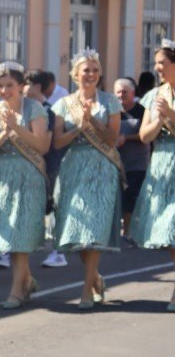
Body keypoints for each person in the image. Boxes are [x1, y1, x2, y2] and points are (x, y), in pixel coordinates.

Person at [51, 49, 122, 310]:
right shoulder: (63, 104)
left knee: (93, 230)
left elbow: (112, 140)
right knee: (75, 231)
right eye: (85, 70)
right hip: (73, 169)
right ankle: (95, 278)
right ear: (75, 74)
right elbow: (57, 142)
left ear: (100, 73)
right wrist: (80, 127)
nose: (90, 74)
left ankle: (85, 290)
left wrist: (93, 121)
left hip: (101, 169)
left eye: (95, 70)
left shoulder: (110, 102)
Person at [0, 62, 50, 309]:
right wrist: (6, 132)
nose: (4, 90)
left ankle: (16, 291)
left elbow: (41, 146)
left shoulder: (35, 108)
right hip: (1, 177)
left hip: (28, 174)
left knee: (21, 234)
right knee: (8, 234)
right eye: (0, 85)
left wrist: (17, 126)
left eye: (10, 85)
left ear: (22, 86)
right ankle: (27, 280)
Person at [129, 40, 175, 312]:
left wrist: (171, 114)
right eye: (156, 63)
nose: (157, 67)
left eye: (162, 63)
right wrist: (159, 120)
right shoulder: (155, 94)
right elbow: (145, 136)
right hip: (162, 166)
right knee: (167, 232)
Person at [25, 69, 68, 268]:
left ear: (36, 87)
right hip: (34, 167)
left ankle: (58, 252)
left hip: (50, 165)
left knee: (52, 208)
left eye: (26, 84)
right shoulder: (28, 110)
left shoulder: (48, 110)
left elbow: (47, 145)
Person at [114, 78, 149, 238]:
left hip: (137, 162)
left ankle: (128, 232)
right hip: (117, 163)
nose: (121, 95)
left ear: (133, 93)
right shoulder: (113, 112)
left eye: (125, 92)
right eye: (118, 92)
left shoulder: (141, 110)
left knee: (130, 196)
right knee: (119, 196)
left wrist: (126, 138)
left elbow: (147, 135)